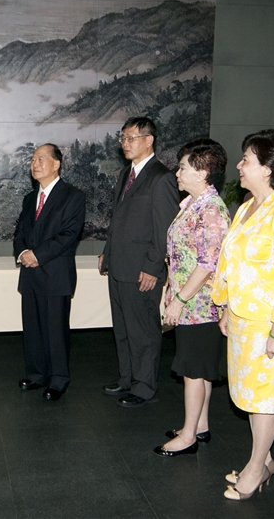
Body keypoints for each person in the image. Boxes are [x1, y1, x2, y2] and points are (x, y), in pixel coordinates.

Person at [212, 129, 274, 501]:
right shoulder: (246, 208)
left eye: (246, 160)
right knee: (250, 396)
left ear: (268, 168)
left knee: (266, 398)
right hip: (242, 319)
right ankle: (264, 459)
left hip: (270, 324)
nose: (239, 165)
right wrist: (225, 305)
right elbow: (229, 263)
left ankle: (255, 468)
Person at [154, 139, 230, 457]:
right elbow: (180, 257)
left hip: (201, 307)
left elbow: (207, 265)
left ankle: (188, 436)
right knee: (199, 368)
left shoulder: (211, 210)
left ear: (202, 172)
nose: (177, 173)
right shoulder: (193, 205)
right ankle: (200, 425)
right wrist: (168, 290)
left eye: (183, 167)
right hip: (190, 303)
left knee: (193, 371)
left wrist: (179, 300)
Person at [99, 117, 180, 407]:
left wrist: (153, 267)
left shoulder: (161, 177)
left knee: (143, 330)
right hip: (119, 265)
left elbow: (165, 229)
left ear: (149, 140)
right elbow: (119, 219)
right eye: (123, 138)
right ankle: (127, 379)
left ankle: (144, 386)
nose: (125, 143)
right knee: (122, 328)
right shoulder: (126, 173)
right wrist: (108, 252)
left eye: (131, 138)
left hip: (142, 269)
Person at [13, 144, 85, 401]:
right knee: (32, 328)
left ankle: (58, 379)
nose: (35, 164)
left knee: (55, 330)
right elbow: (19, 231)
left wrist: (37, 255)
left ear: (56, 164)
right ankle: (36, 374)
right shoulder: (29, 198)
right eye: (33, 160)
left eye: (41, 159)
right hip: (30, 275)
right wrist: (23, 253)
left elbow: (68, 235)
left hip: (55, 274)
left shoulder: (73, 196)